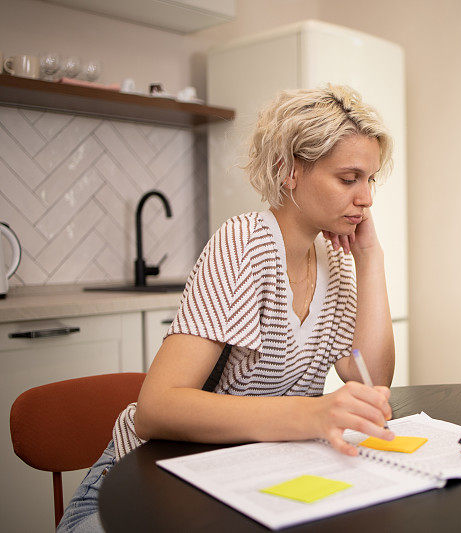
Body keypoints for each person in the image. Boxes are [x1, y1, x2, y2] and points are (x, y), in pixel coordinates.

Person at [58, 84, 397, 532]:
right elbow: (155, 409)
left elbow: (371, 377)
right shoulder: (244, 246)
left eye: (369, 180)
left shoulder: (335, 259)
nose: (367, 198)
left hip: (236, 480)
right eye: (348, 179)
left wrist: (371, 258)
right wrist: (310, 414)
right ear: (288, 169)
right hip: (135, 488)